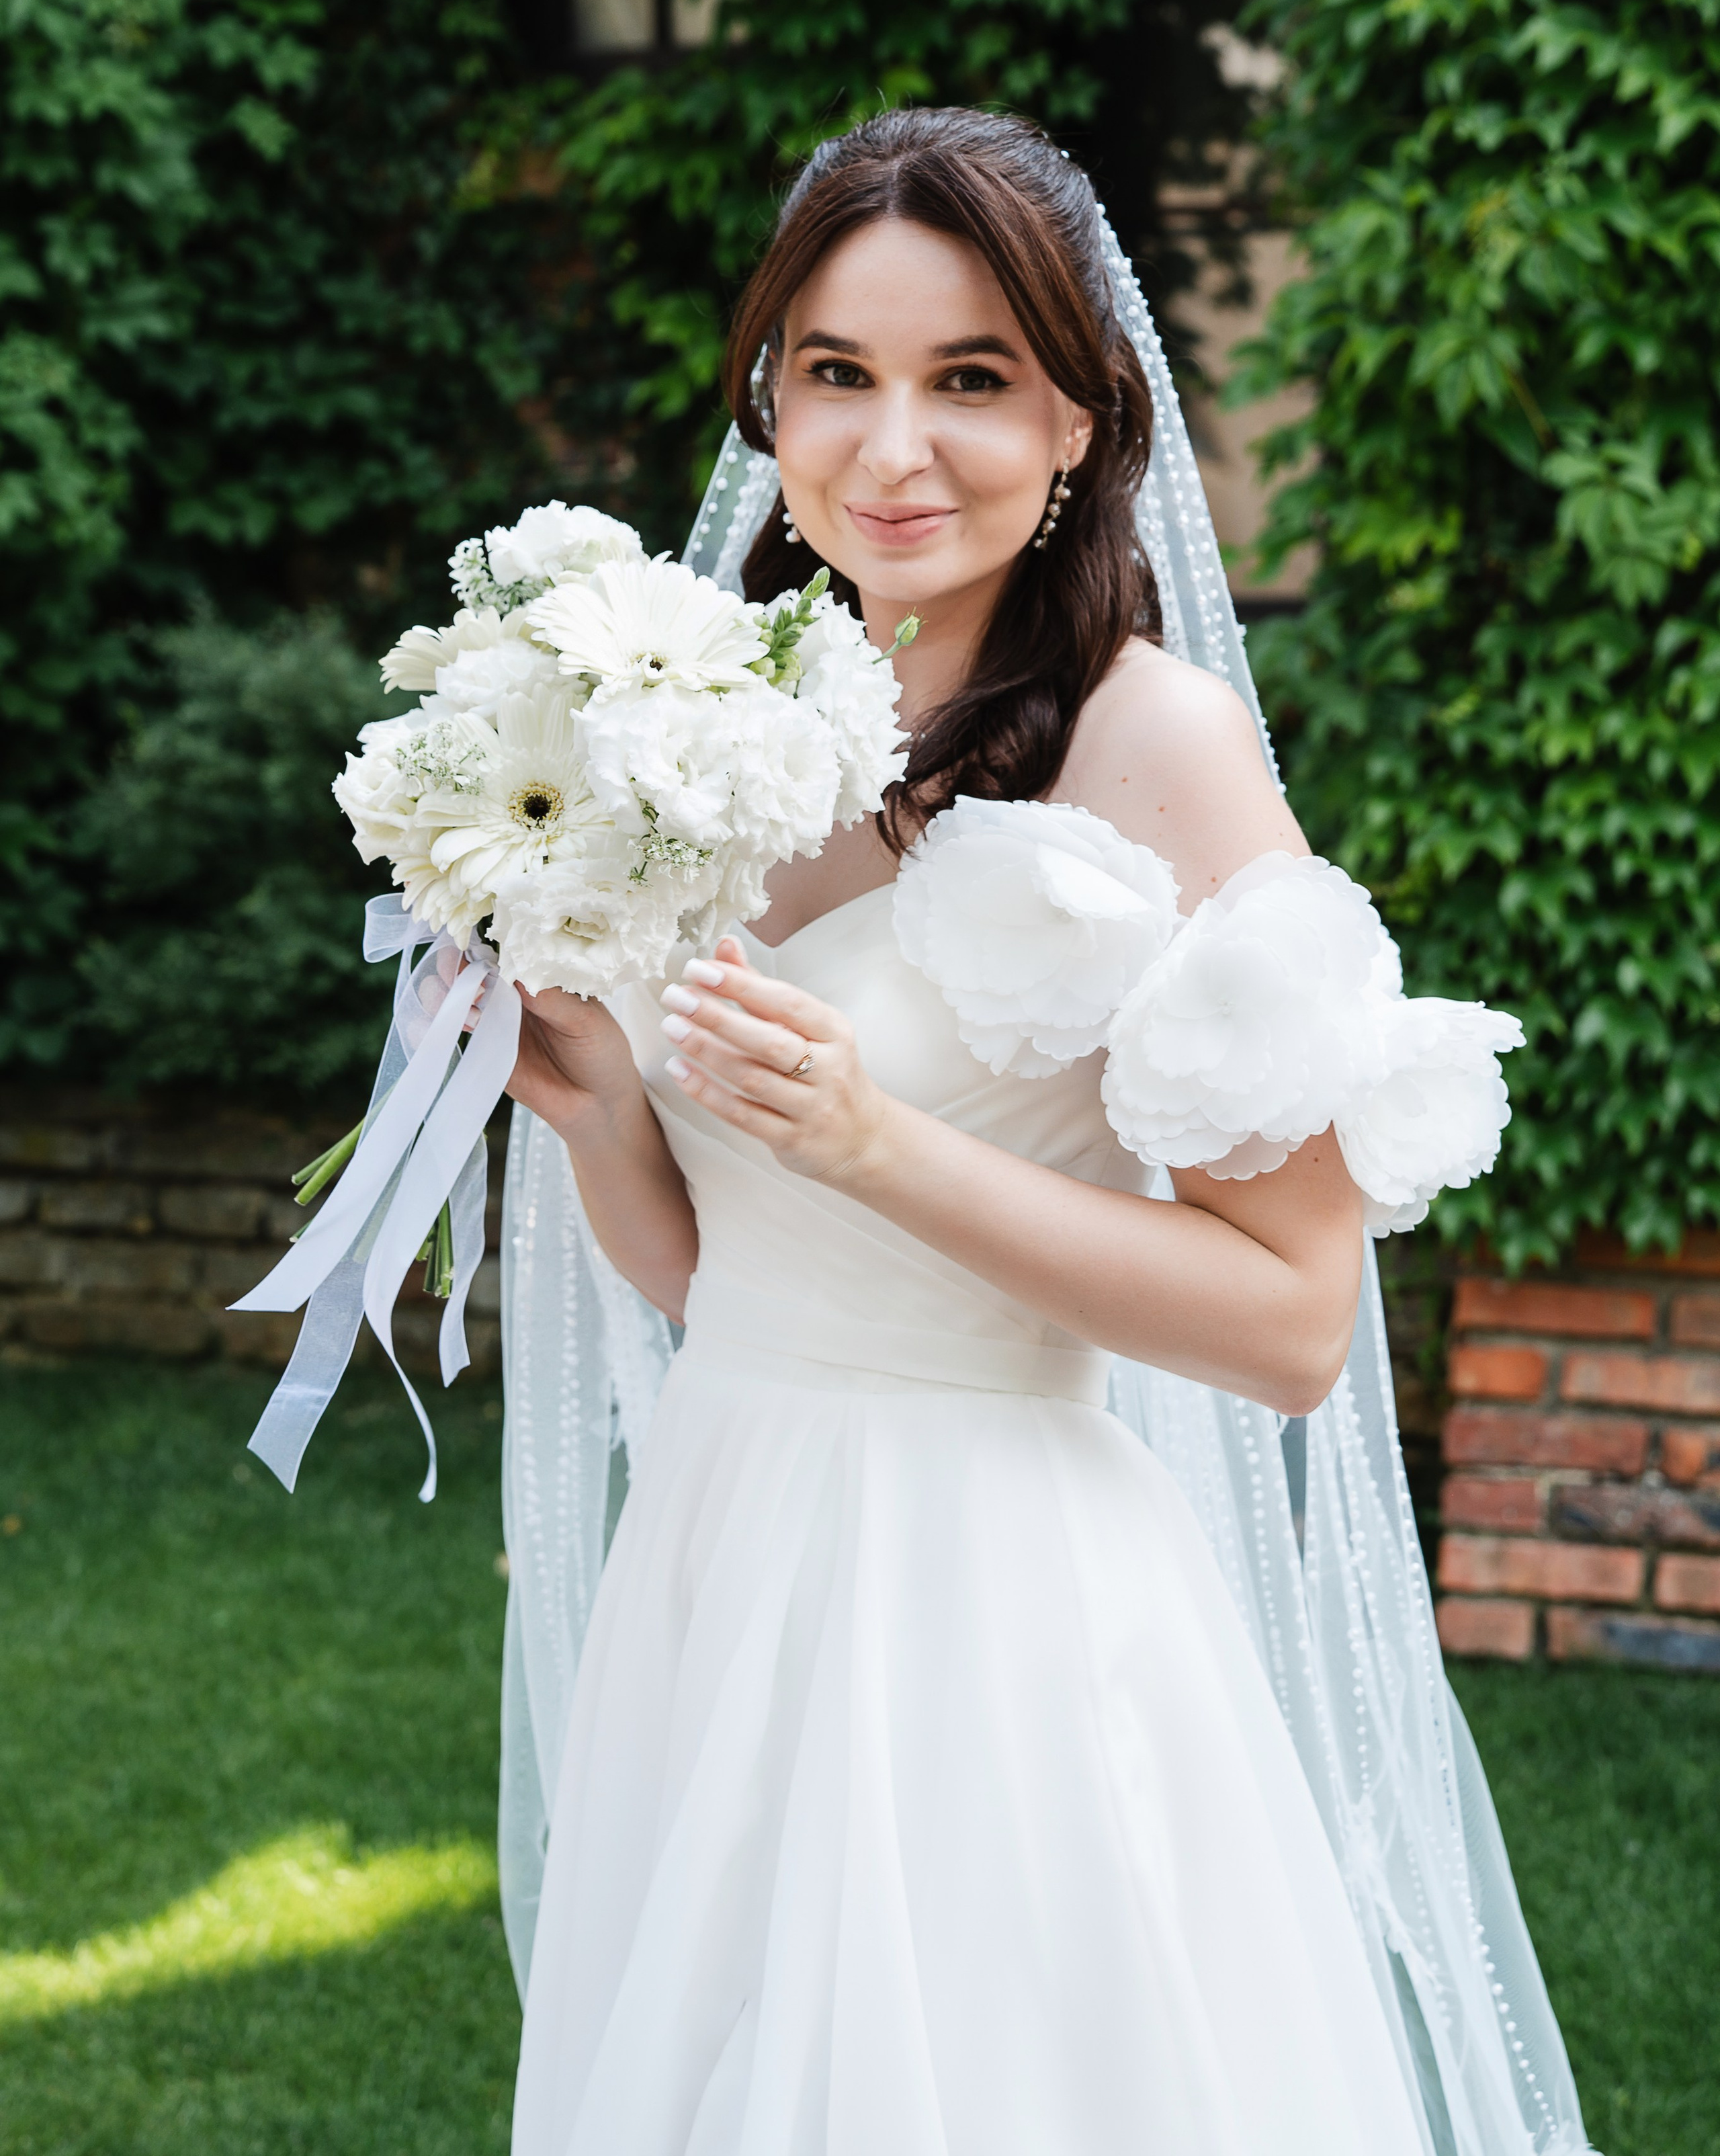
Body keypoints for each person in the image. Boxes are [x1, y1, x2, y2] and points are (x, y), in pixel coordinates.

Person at [499, 110, 1587, 2155]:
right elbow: (747, 1288)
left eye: (970, 380)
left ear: (1086, 420)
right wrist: (601, 1121)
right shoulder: (715, 718)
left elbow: (1288, 1323)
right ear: (772, 398)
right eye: (838, 373)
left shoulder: (1147, 741)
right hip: (727, 1557)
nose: (890, 448)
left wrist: (874, 1142)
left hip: (979, 1606)